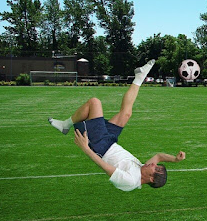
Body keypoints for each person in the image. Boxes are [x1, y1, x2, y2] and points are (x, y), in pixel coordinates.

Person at [48, 60, 186, 191]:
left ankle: (65, 125)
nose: (154, 165)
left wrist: (85, 148)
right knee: (126, 114)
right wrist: (175, 159)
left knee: (94, 103)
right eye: (157, 166)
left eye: (155, 169)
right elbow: (159, 156)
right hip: (111, 141)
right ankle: (139, 77)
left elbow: (104, 166)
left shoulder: (130, 181)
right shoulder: (143, 168)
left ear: (150, 178)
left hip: (100, 146)